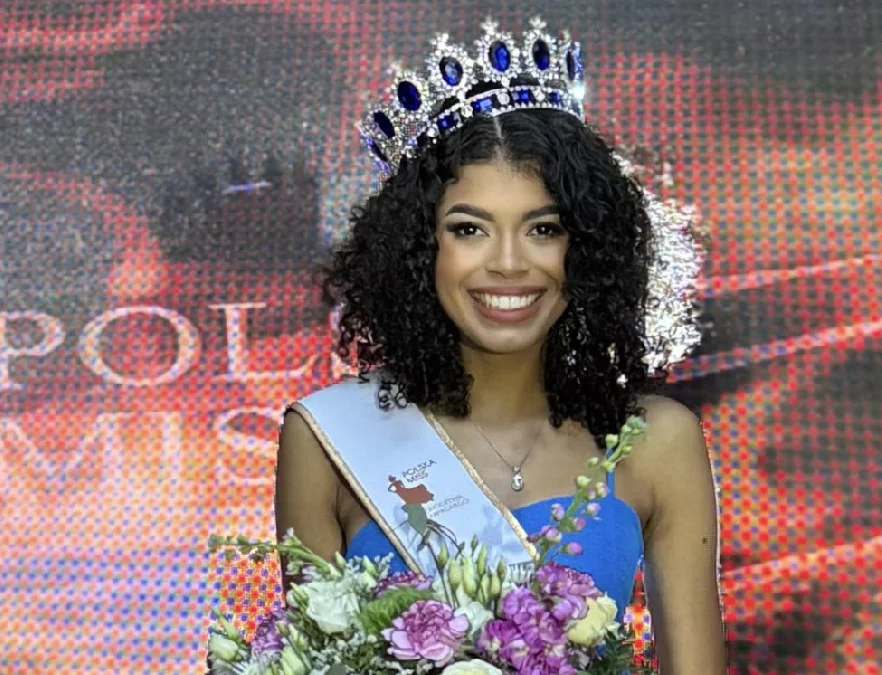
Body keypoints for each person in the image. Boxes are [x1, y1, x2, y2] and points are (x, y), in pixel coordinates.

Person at [274, 17, 726, 673]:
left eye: (543, 229)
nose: (509, 263)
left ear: (588, 249)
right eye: (469, 229)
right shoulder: (326, 440)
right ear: (419, 249)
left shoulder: (656, 441)